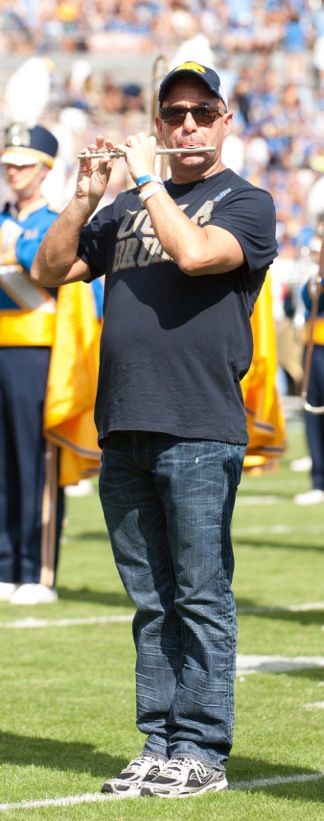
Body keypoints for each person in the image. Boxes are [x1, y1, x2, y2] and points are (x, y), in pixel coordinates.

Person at [31, 62, 278, 797]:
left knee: (201, 593)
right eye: (175, 114)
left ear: (226, 119)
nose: (188, 125)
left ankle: (202, 747)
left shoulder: (248, 201)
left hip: (199, 425)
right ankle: (160, 739)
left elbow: (198, 254)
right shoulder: (126, 204)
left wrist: (145, 184)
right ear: (160, 120)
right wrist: (83, 196)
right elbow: (50, 268)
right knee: (151, 601)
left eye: (203, 111)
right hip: (125, 425)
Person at [0, 123, 65, 605]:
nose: (13, 171)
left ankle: (36, 569)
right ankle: (5, 565)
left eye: (23, 163)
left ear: (45, 169)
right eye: (8, 163)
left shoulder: (55, 221)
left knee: (34, 463)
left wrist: (16, 247)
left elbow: (66, 275)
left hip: (36, 352)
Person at [294, 232, 324, 505]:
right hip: (314, 349)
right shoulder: (314, 280)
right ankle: (319, 481)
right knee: (313, 413)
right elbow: (301, 301)